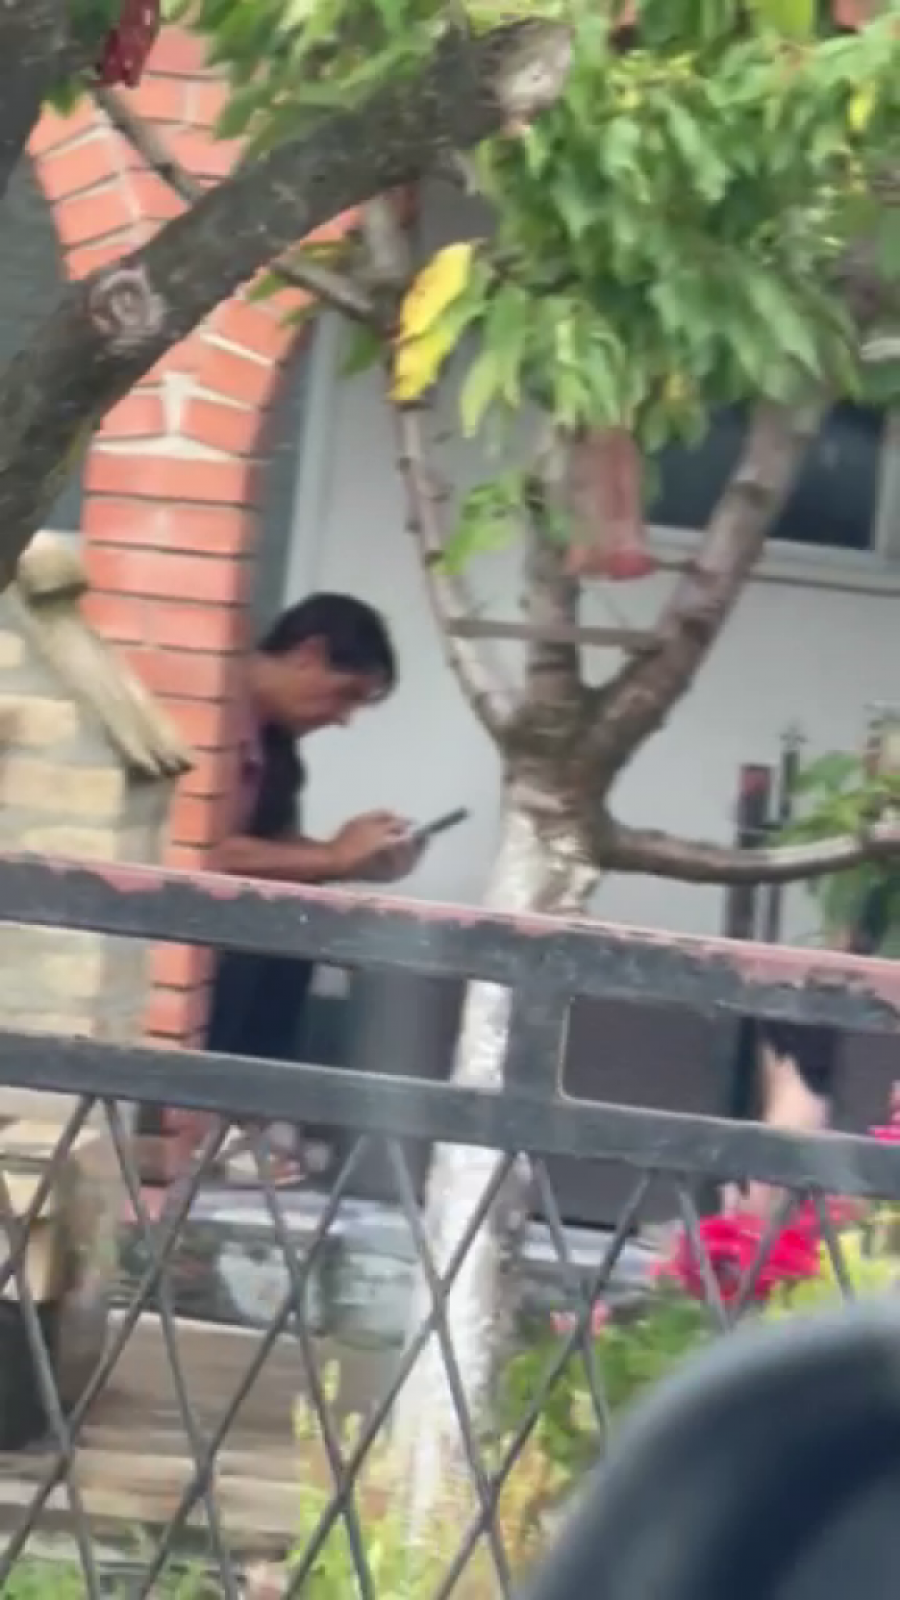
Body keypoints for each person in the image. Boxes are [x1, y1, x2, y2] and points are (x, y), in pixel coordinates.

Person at [203, 592, 421, 1183]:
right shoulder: (213, 717)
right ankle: (206, 1122)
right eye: (345, 694)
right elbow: (204, 852)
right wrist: (330, 856)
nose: (343, 718)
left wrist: (353, 862)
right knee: (251, 942)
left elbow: (275, 855)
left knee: (299, 929)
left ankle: (249, 1120)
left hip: (231, 933)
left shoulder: (278, 749)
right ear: (309, 653)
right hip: (177, 938)